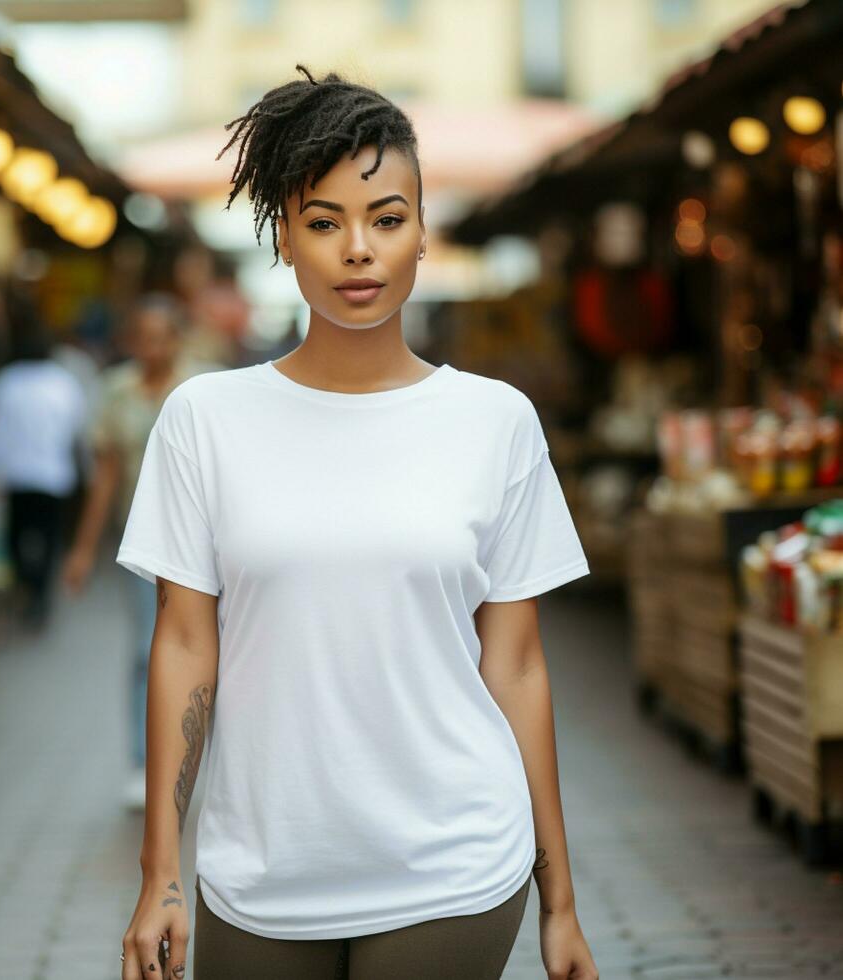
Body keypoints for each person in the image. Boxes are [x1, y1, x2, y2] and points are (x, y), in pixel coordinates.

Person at [117, 65, 600, 980]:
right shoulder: (204, 419)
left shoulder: (495, 421)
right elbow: (184, 645)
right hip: (258, 871)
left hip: (453, 863)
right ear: (285, 242)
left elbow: (519, 665)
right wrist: (160, 875)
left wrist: (561, 901)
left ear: (424, 236)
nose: (358, 251)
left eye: (386, 218)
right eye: (324, 221)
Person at [62, 293, 222, 809]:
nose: (152, 348)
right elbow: (105, 479)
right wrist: (84, 551)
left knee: (217, 650)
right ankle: (144, 762)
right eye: (143, 337)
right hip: (148, 546)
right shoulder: (116, 393)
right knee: (145, 653)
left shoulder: (209, 387)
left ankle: (214, 760)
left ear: (178, 337)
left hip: (211, 543)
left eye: (162, 337)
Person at [0, 293, 87, 629]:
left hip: (17, 474)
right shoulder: (63, 383)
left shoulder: (7, 381)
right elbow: (76, 427)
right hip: (53, 475)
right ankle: (40, 594)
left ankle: (26, 586)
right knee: (49, 536)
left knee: (17, 535)